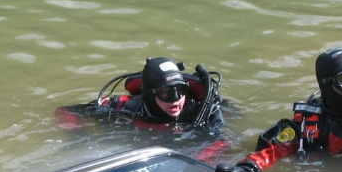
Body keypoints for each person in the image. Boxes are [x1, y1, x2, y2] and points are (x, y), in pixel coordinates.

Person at [56, 56, 225, 131]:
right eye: (166, 93)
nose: (176, 99)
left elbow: (221, 144)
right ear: (149, 94)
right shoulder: (124, 106)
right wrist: (77, 136)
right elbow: (66, 111)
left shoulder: (200, 110)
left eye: (181, 90)